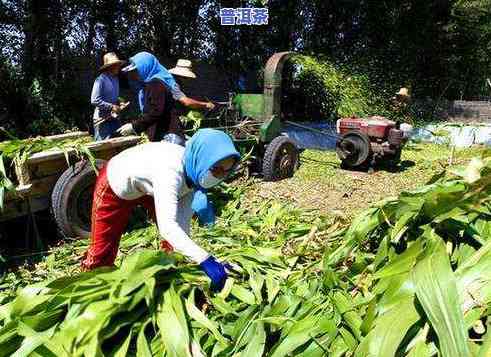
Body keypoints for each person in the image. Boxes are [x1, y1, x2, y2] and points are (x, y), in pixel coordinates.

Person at [81, 128, 240, 291]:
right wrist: (205, 259)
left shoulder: (194, 172)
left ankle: (168, 272)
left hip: (149, 185)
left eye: (226, 172)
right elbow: (168, 227)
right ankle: (87, 287)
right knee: (102, 250)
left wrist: (207, 261)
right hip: (116, 182)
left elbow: (181, 225)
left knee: (173, 243)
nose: (219, 177)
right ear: (203, 159)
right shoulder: (170, 173)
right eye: (216, 170)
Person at [117, 52, 214, 144]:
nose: (135, 75)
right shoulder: (158, 83)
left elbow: (156, 111)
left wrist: (135, 126)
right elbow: (156, 110)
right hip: (167, 133)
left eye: (136, 71)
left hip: (167, 134)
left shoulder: (156, 84)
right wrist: (205, 105)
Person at [90, 52, 128, 141]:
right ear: (109, 66)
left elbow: (115, 96)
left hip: (114, 118)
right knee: (104, 149)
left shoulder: (115, 79)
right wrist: (111, 106)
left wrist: (120, 101)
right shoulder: (100, 80)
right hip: (102, 120)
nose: (118, 67)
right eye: (116, 65)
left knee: (118, 144)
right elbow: (94, 100)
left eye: (118, 65)